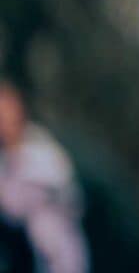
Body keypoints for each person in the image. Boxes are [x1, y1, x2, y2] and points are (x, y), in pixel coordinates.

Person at [0, 81, 89, 273]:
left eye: (6, 111)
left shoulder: (43, 152)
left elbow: (15, 206)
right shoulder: (5, 159)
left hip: (56, 253)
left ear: (19, 111)